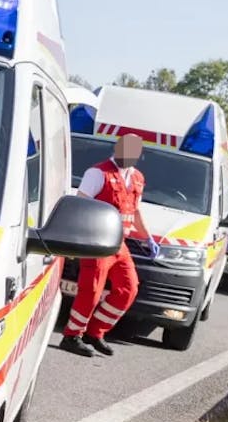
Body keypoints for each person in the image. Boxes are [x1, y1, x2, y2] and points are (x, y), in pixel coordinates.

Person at [60, 133, 158, 357]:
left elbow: (135, 211)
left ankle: (95, 333)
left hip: (119, 245)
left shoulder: (137, 178)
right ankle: (72, 335)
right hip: (97, 241)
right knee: (91, 290)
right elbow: (81, 206)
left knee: (128, 288)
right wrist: (78, 241)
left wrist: (147, 237)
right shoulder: (98, 173)